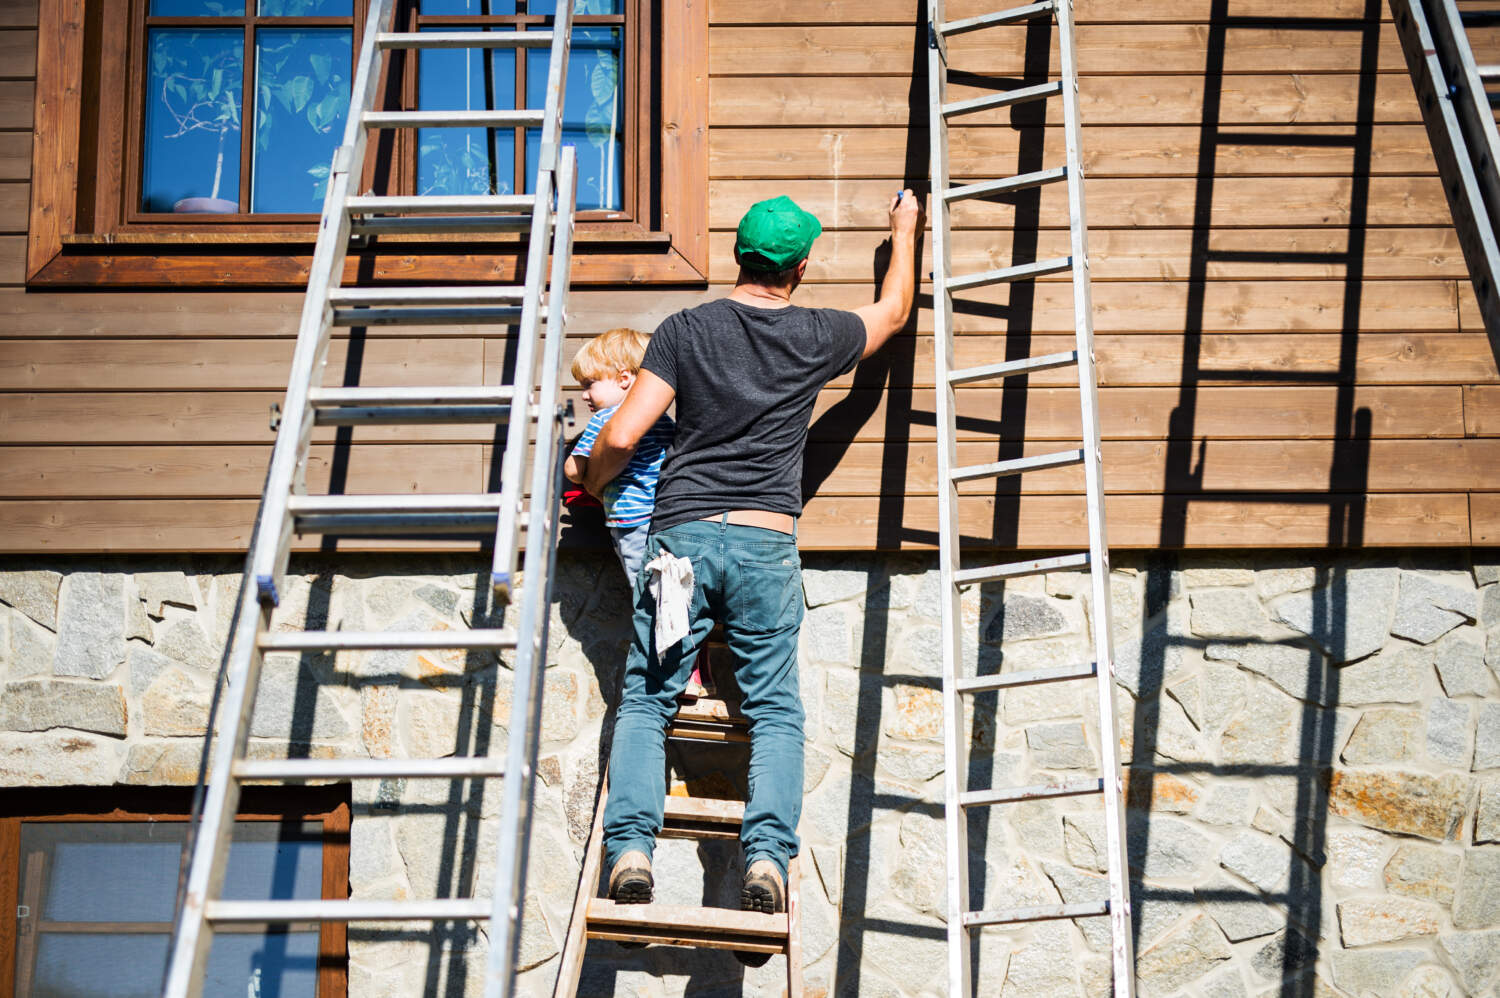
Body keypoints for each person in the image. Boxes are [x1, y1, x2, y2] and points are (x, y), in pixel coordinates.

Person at [582, 190, 922, 942]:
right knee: (774, 710)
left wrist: (600, 482)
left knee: (647, 698)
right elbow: (894, 312)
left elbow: (626, 430)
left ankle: (631, 852)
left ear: (739, 252)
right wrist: (904, 228)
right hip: (767, 541)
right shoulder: (815, 334)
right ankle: (765, 860)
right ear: (800, 267)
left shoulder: (685, 329)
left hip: (681, 544)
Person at [563, 327, 674, 591]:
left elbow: (572, 469)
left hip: (632, 519)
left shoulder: (605, 419)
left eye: (589, 384)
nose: (584, 395)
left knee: (644, 590)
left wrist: (586, 476)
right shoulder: (663, 419)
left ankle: (652, 631)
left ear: (624, 378)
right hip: (667, 515)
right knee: (667, 588)